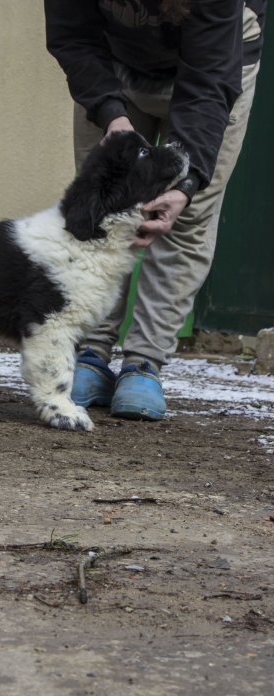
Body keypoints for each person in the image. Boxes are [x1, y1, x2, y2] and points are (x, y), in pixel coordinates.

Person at [44, 0, 267, 420]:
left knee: (187, 216)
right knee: (103, 209)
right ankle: (91, 351)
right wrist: (111, 114)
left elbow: (209, 84)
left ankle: (143, 363)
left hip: (215, 65)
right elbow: (72, 35)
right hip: (114, 62)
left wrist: (186, 184)